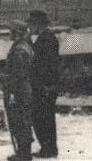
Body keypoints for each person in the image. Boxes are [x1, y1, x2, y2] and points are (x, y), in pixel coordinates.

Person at [28, 10, 60, 158]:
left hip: (45, 86)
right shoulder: (44, 37)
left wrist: (47, 85)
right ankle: (47, 148)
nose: (30, 26)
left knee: (44, 118)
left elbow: (49, 65)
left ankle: (49, 149)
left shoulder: (47, 39)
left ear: (38, 24)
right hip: (44, 85)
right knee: (43, 117)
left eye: (31, 23)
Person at [1, 20, 35, 161]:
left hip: (19, 90)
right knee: (20, 120)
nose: (9, 33)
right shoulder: (21, 46)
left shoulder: (20, 50)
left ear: (16, 33)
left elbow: (19, 74)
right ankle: (23, 152)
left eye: (11, 31)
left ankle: (24, 154)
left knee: (20, 120)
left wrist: (6, 79)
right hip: (21, 89)